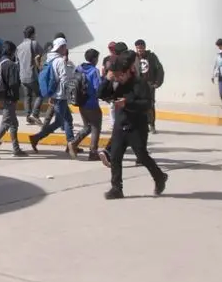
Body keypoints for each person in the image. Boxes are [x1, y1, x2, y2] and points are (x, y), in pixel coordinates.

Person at [97, 51, 168, 199]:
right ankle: (116, 188)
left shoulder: (140, 83)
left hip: (137, 126)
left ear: (129, 71)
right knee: (115, 156)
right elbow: (101, 94)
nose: (118, 78)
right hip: (120, 124)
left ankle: (159, 176)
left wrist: (127, 103)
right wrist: (107, 79)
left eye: (120, 75)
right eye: (115, 75)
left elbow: (147, 104)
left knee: (142, 156)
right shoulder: (116, 84)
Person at [28, 37, 76, 155]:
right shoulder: (59, 61)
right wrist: (69, 93)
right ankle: (37, 138)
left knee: (68, 119)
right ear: (61, 47)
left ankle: (71, 144)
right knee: (59, 121)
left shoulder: (49, 59)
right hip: (60, 96)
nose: (66, 49)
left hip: (55, 94)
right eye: (65, 47)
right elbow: (64, 79)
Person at [0, 41, 25, 158]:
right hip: (9, 97)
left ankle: (16, 148)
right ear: (12, 52)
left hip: (2, 95)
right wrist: (16, 96)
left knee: (13, 123)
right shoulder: (11, 65)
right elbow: (13, 84)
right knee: (6, 123)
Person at [69, 48, 104, 161]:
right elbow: (98, 88)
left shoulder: (78, 68)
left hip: (81, 102)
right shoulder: (94, 71)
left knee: (87, 127)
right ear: (94, 59)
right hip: (92, 103)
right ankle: (93, 152)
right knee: (96, 127)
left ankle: (74, 143)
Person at [133, 39, 165, 133]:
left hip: (149, 85)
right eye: (138, 48)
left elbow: (160, 70)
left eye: (141, 48)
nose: (140, 50)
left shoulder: (151, 57)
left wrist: (157, 83)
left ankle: (151, 125)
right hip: (137, 85)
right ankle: (140, 125)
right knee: (137, 105)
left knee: (150, 105)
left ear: (144, 47)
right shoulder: (134, 57)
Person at [16, 26, 44, 125]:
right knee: (41, 94)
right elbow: (42, 53)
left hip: (22, 76)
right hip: (31, 75)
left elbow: (17, 62)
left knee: (27, 96)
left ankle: (28, 117)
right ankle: (35, 114)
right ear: (32, 34)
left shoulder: (19, 47)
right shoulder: (34, 43)